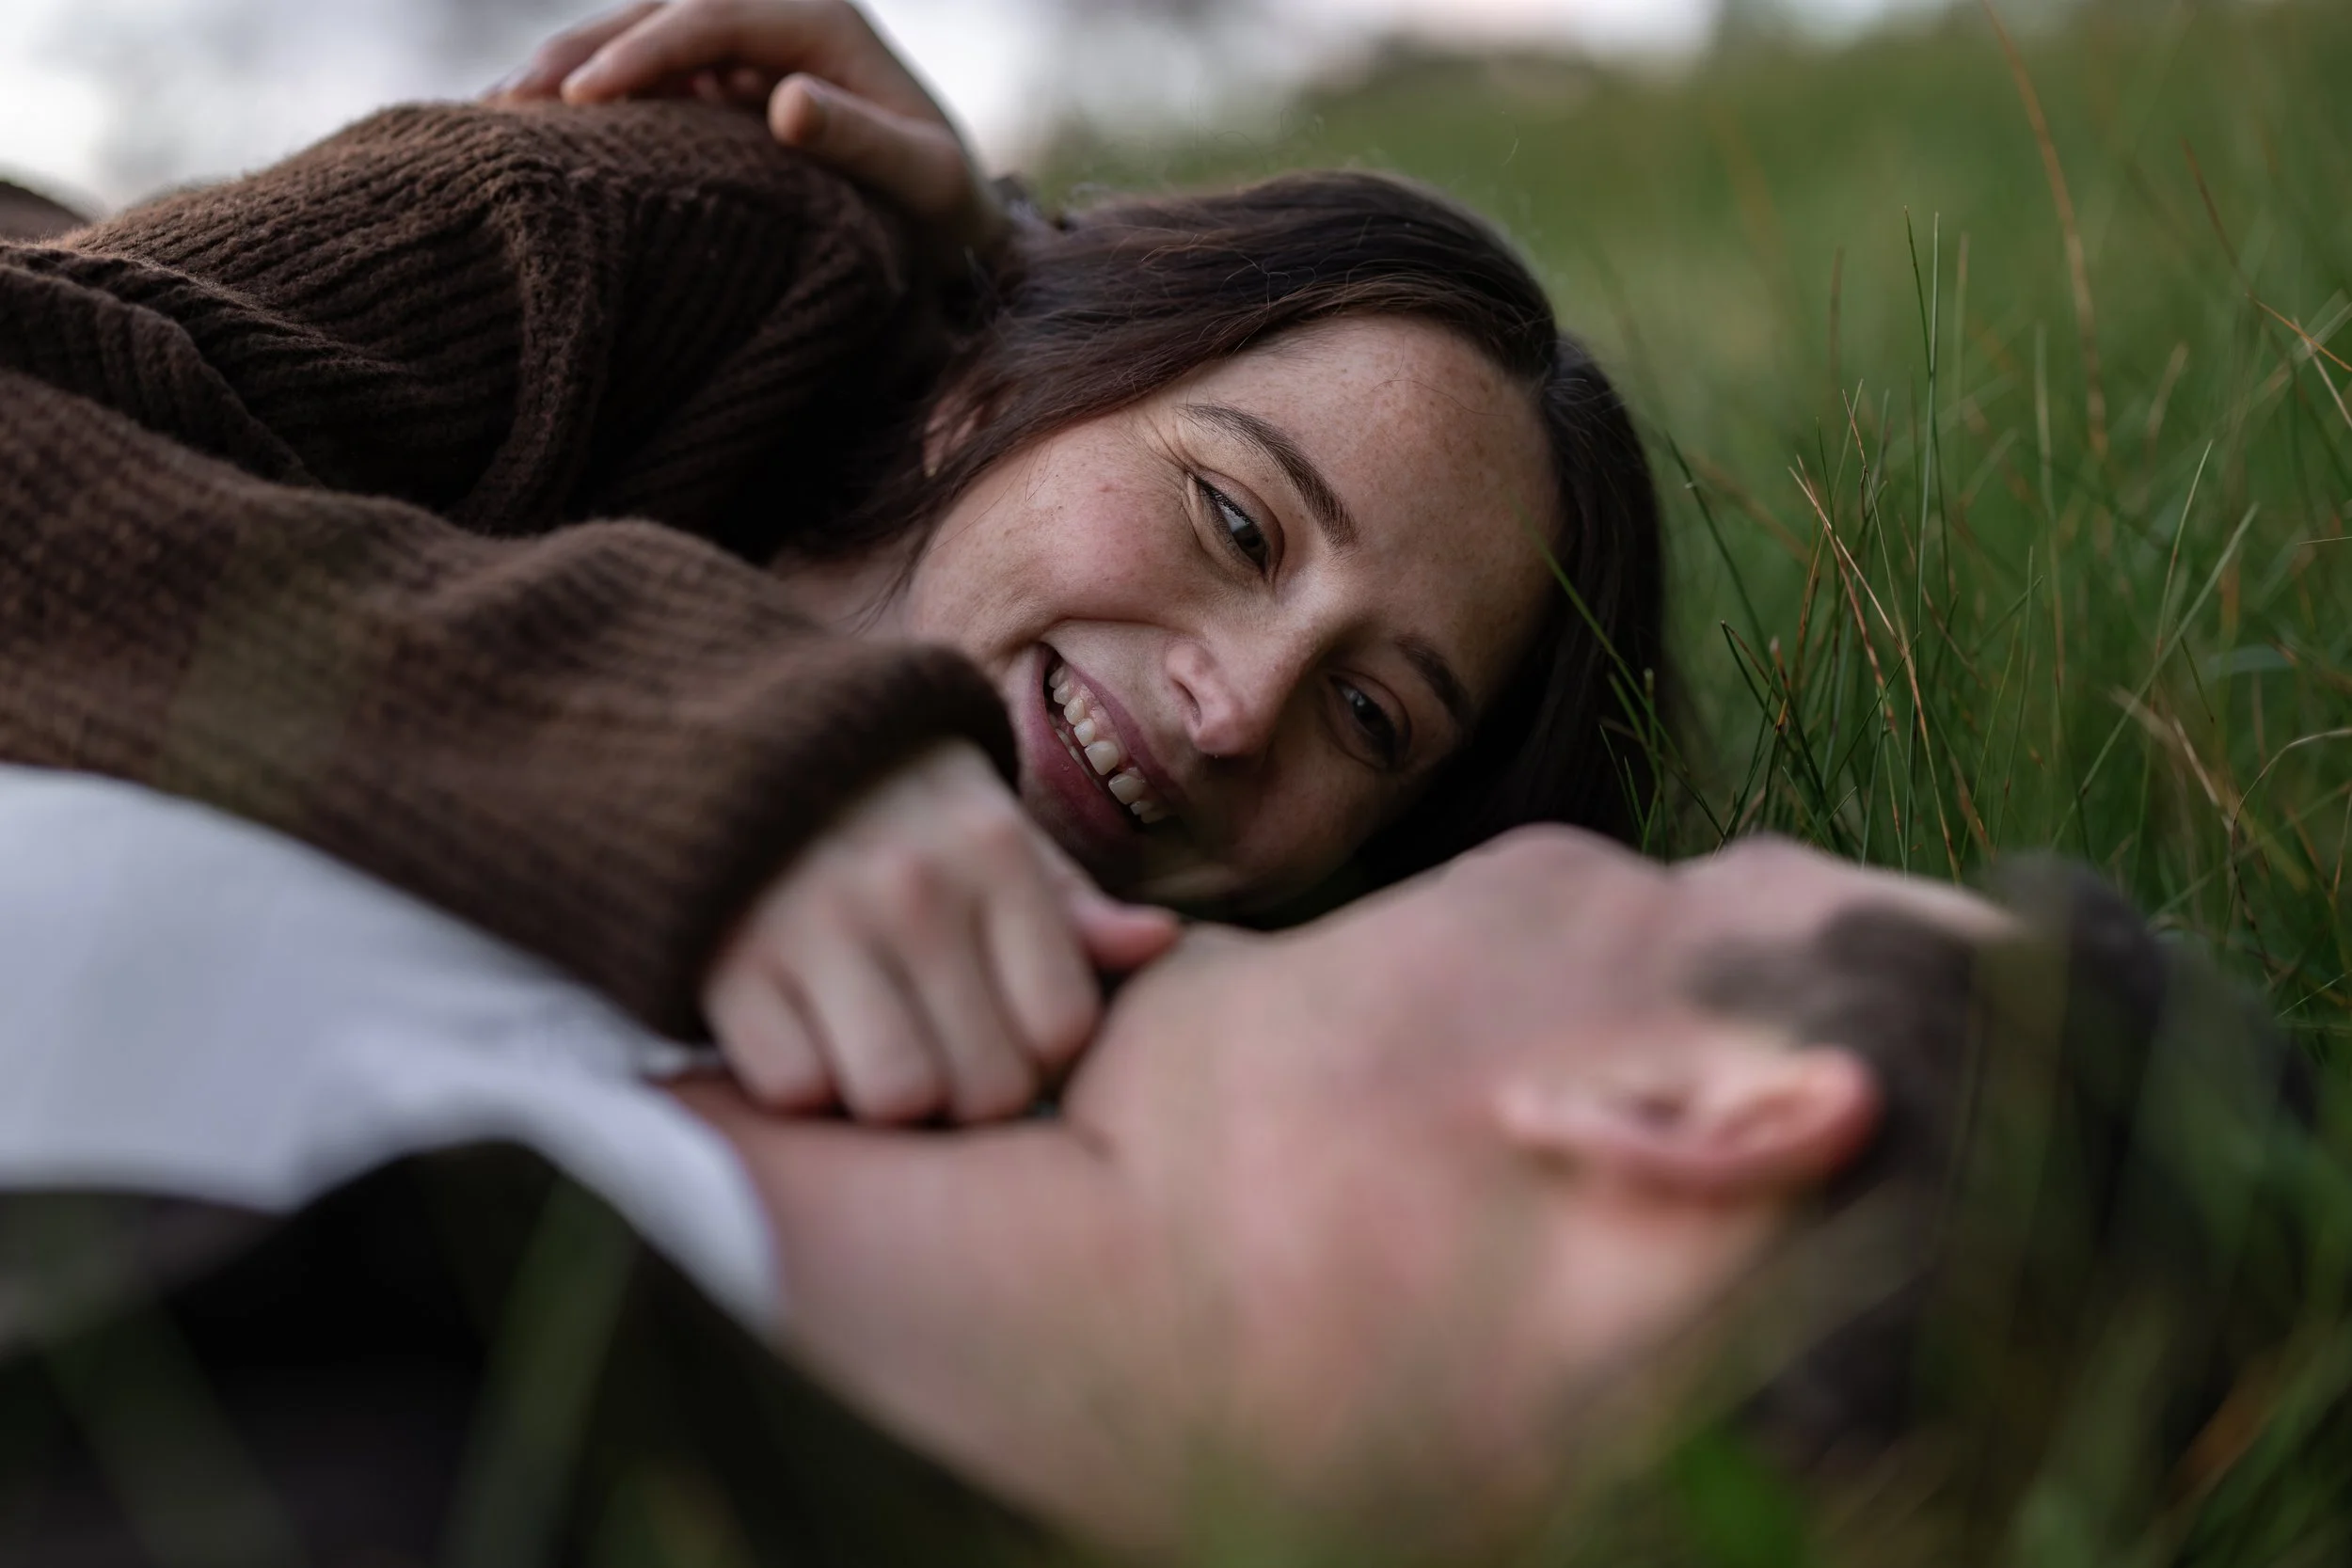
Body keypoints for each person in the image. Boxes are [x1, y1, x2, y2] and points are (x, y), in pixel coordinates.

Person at [0, 0, 1664, 1131]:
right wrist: (707, 740)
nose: (1238, 711)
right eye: (1236, 521)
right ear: (985, 391)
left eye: (1369, 717)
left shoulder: (1097, 1035)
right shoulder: (641, 229)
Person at [0, 765, 2318, 1563]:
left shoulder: (331, 1469)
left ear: (1680, 1107)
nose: (1566, 844)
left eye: (1702, 871)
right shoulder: (720, 900)